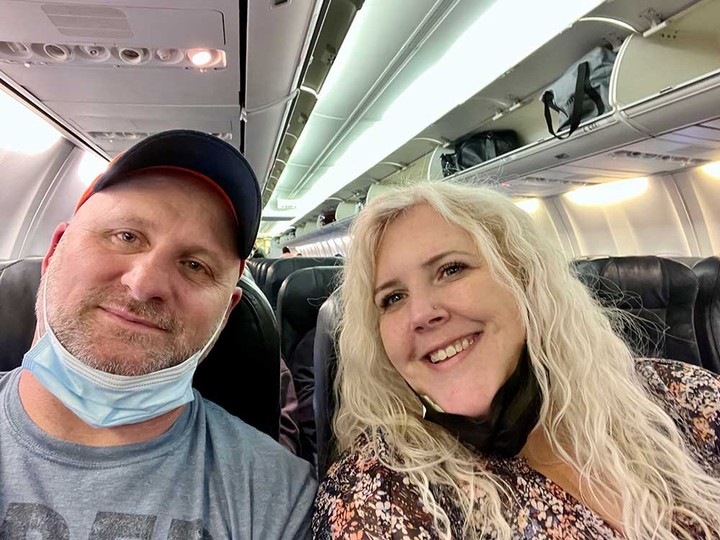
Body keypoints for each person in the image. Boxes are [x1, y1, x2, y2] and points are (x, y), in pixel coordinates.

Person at [313, 180, 720, 539]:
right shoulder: (381, 490)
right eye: (393, 298)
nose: (421, 315)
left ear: (523, 279)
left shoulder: (677, 396)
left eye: (451, 270)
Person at [1, 130, 316, 538]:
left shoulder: (277, 495)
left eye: (195, 265)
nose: (144, 283)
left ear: (226, 314)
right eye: (126, 236)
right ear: (54, 252)